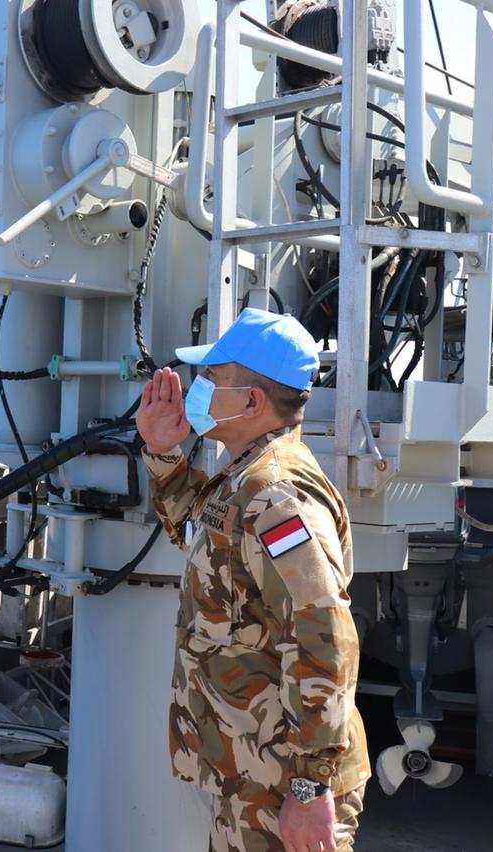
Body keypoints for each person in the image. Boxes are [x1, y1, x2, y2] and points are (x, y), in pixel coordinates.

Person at [135, 308, 370, 852]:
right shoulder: (245, 474)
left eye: (213, 377)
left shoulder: (276, 494)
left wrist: (311, 789)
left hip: (285, 778)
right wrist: (164, 450)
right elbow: (205, 538)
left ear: (251, 401)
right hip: (251, 768)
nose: (199, 387)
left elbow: (325, 636)